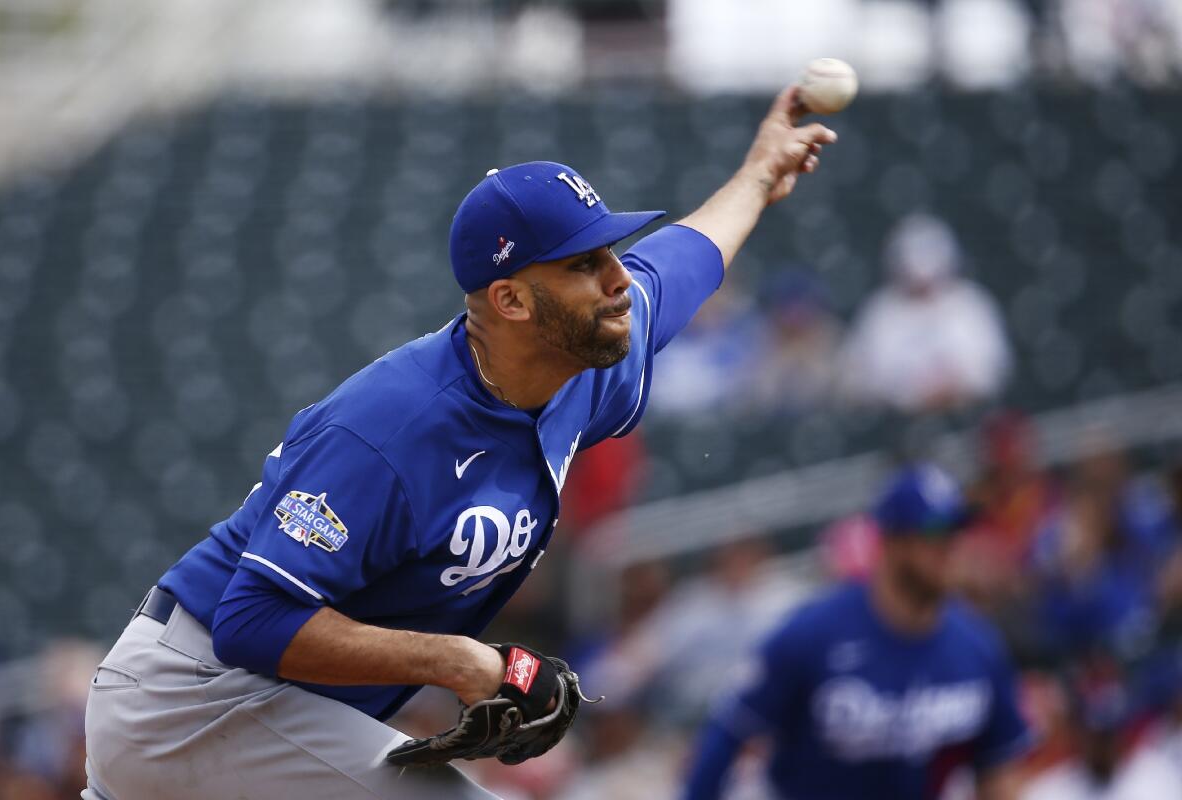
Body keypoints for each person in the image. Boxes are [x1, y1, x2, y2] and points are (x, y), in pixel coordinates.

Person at [81, 86, 837, 800]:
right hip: (191, 698)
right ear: (509, 299)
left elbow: (685, 260)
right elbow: (252, 621)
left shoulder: (580, 360)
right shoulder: (390, 428)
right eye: (584, 263)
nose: (616, 279)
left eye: (611, 251)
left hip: (271, 709)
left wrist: (760, 172)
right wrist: (459, 661)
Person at [683, 464, 1032, 800]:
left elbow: (999, 766)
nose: (949, 549)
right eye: (933, 534)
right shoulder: (814, 633)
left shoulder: (977, 647)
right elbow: (729, 731)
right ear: (892, 541)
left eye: (956, 532)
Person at [838, 213, 1011, 412]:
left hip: (970, 416)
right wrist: (915, 392)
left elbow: (994, 368)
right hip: (898, 425)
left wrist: (955, 385)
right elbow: (862, 380)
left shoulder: (970, 303)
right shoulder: (880, 312)